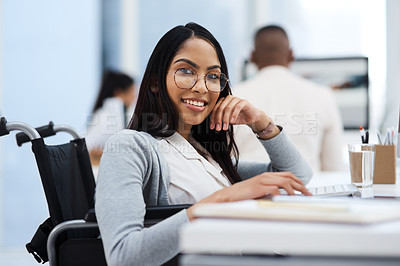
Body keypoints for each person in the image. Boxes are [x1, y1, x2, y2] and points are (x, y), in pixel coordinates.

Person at [95, 23, 313, 266]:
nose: (201, 87)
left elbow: (297, 177)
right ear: (155, 83)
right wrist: (220, 201)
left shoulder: (204, 154)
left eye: (212, 76)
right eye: (186, 71)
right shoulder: (131, 146)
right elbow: (123, 256)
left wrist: (260, 122)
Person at [234, 25, 345, 172]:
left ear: (252, 56)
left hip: (248, 190)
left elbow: (224, 164)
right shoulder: (323, 95)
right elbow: (334, 167)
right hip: (307, 189)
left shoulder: (233, 97)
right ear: (291, 54)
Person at [85, 70, 136, 166]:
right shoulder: (108, 117)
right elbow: (88, 149)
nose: (134, 98)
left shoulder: (105, 114)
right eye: (132, 92)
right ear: (119, 94)